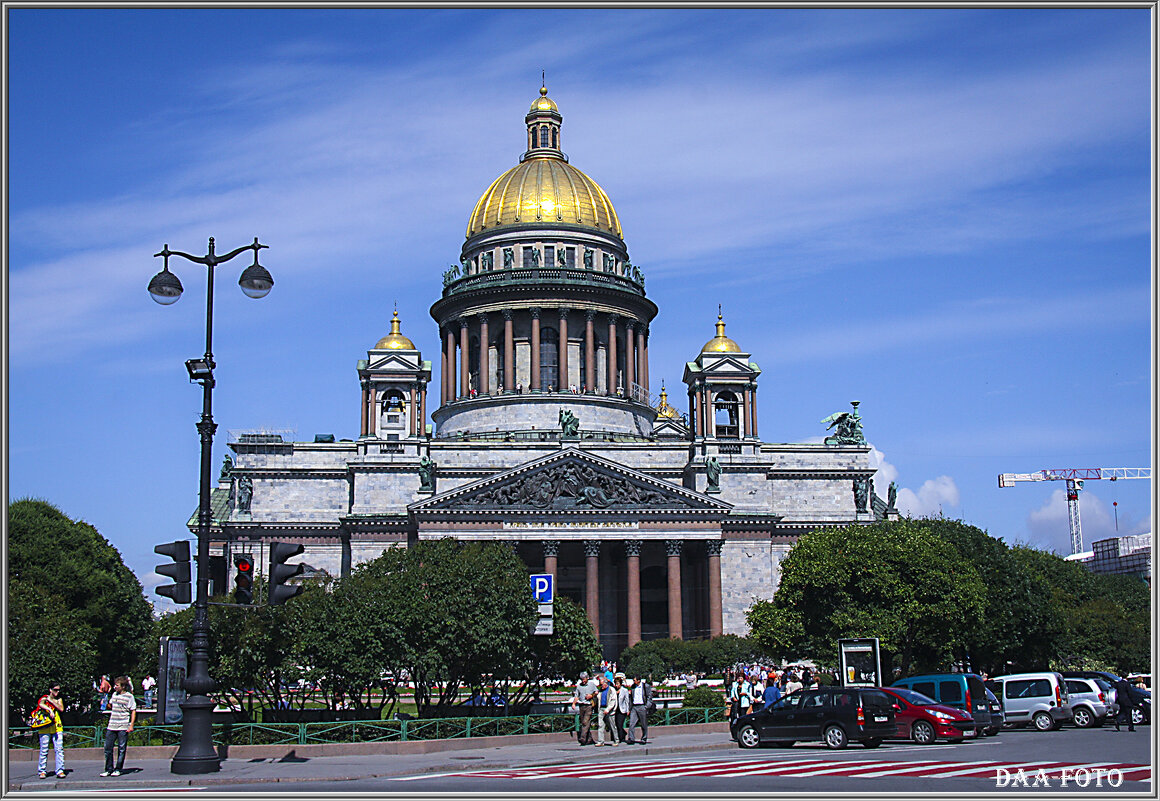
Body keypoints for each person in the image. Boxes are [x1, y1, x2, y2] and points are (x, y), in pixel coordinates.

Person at [101, 676, 137, 777]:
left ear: (123, 686)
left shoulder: (129, 697)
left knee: (121, 748)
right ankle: (108, 769)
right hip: (112, 724)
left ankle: (118, 768)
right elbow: (111, 706)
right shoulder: (114, 695)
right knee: (108, 747)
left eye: (117, 685)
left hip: (123, 725)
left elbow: (133, 710)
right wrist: (106, 702)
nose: (115, 687)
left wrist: (131, 725)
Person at [36, 681, 66, 779]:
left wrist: (52, 701)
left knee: (59, 749)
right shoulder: (45, 698)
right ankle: (42, 771)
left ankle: (60, 770)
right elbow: (41, 704)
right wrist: (49, 710)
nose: (57, 692)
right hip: (45, 727)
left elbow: (61, 709)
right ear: (50, 690)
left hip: (57, 726)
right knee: (44, 750)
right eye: (55, 690)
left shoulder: (59, 699)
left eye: (58, 690)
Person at [626, 673, 653, 744]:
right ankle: (631, 738)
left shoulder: (645, 686)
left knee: (643, 724)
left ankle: (644, 738)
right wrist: (629, 708)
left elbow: (649, 697)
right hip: (634, 707)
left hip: (642, 706)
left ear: (638, 680)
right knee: (632, 723)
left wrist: (646, 707)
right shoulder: (633, 687)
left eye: (634, 680)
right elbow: (631, 698)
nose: (633, 681)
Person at [573, 671, 598, 745]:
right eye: (582, 679)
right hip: (581, 705)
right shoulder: (579, 686)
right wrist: (574, 703)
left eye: (584, 679)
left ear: (587, 678)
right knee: (584, 722)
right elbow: (577, 696)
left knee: (585, 722)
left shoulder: (591, 684)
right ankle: (589, 739)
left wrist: (591, 695)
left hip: (589, 705)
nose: (583, 681)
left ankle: (583, 738)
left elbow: (596, 692)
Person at [615, 674, 630, 745]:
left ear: (620, 684)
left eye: (617, 684)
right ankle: (621, 734)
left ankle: (622, 737)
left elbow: (627, 700)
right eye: (615, 684)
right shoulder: (614, 691)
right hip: (615, 709)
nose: (616, 685)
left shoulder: (624, 690)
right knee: (616, 724)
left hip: (622, 709)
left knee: (619, 724)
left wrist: (628, 709)